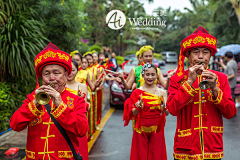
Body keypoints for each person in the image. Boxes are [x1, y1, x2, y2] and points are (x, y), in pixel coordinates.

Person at [167, 26, 237, 160]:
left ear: (211, 55)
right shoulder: (178, 78)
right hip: (185, 148)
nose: (200, 56)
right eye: (195, 52)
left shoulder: (220, 78)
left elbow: (230, 113)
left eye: (205, 52)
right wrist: (189, 83)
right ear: (187, 55)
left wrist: (215, 89)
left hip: (212, 146)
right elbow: (172, 109)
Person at [10, 43, 88, 160]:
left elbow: (82, 130)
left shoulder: (76, 100)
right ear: (42, 77)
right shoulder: (32, 98)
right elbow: (15, 125)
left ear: (66, 75)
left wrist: (60, 105)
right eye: (46, 73)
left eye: (56, 73)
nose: (51, 78)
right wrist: (34, 104)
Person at [123, 63, 167, 160]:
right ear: (142, 76)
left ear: (157, 75)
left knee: (156, 155)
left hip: (157, 129)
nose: (150, 77)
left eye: (153, 74)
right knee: (140, 155)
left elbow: (166, 113)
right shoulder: (136, 92)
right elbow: (133, 114)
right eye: (147, 75)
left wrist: (164, 109)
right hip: (140, 128)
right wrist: (137, 108)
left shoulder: (162, 92)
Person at [66, 60, 89, 160]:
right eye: (68, 70)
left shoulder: (82, 86)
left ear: (77, 71)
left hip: (77, 123)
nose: (70, 73)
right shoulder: (59, 86)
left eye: (73, 70)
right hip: (62, 122)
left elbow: (83, 107)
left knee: (80, 152)